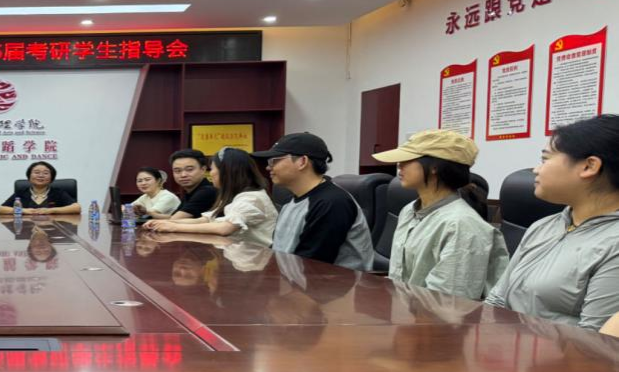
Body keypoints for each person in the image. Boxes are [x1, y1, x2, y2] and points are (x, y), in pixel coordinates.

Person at [486, 115, 619, 330]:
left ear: (589, 166)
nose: (536, 170)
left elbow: (595, 339)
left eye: (545, 159)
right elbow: (496, 300)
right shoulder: (543, 225)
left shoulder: (614, 244)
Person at [372, 130, 508, 299]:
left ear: (435, 167)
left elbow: (450, 302)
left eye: (407, 159)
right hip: (405, 307)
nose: (399, 165)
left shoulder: (462, 225)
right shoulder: (409, 210)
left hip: (431, 313)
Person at [252, 132, 373, 271]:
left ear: (302, 161)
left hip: (331, 283)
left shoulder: (332, 203)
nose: (268, 167)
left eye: (274, 161)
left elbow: (313, 266)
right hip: (294, 279)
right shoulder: (291, 203)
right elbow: (278, 250)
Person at [144, 147, 277, 247]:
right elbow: (205, 220)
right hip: (243, 258)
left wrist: (174, 227)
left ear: (226, 171)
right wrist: (167, 223)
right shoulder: (234, 196)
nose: (211, 173)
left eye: (212, 169)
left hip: (258, 262)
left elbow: (225, 228)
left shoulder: (252, 197)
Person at [150, 149, 217, 221]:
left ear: (203, 169)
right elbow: (173, 217)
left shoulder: (208, 191)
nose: (183, 175)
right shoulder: (191, 192)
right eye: (177, 171)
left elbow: (174, 220)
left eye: (189, 169)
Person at [0, 161, 81, 215]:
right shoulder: (21, 193)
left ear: (52, 178)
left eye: (45, 173)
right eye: (36, 172)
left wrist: (51, 210)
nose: (41, 176)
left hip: (54, 230)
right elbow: (1, 209)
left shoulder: (58, 192)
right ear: (29, 176)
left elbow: (77, 208)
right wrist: (23, 211)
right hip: (26, 230)